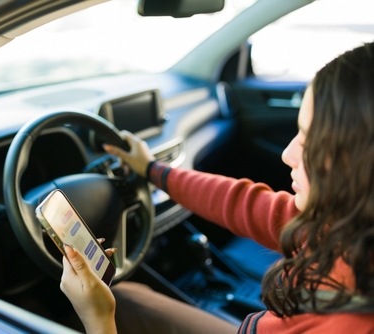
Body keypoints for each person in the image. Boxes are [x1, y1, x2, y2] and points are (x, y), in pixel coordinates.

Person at [60, 42, 374, 333]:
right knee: (129, 299)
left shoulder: (347, 322)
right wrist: (154, 171)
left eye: (311, 141)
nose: (288, 154)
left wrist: (97, 319)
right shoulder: (347, 225)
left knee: (118, 304)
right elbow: (248, 205)